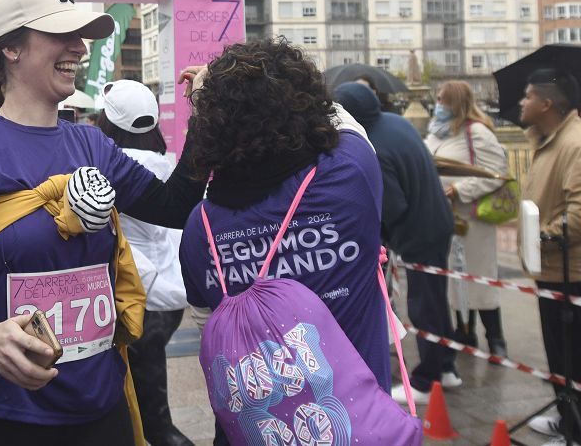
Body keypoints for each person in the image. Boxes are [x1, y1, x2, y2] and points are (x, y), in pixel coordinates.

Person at [0, 0, 208, 446]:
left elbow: (175, 207)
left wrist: (205, 112)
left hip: (99, 408)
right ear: (10, 49)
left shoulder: (92, 143)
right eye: (62, 34)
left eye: (82, 36)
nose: (80, 48)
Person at [177, 40, 390, 445]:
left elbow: (213, 332)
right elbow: (343, 122)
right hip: (357, 429)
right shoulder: (349, 179)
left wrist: (211, 98)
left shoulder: (199, 227)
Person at [333, 81, 458, 405]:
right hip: (438, 221)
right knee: (436, 299)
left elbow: (393, 206)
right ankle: (446, 368)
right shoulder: (397, 121)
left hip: (418, 232)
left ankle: (426, 379)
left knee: (423, 305)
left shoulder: (373, 145)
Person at [96, 79, 193, 446]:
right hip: (171, 293)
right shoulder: (166, 165)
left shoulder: (114, 169)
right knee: (145, 387)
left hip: (137, 294)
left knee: (153, 417)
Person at [517, 69, 581, 444]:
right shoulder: (551, 141)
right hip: (550, 270)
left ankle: (575, 428)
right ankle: (566, 415)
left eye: (527, 96)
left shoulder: (573, 144)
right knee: (560, 357)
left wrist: (539, 237)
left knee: (572, 356)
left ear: (547, 103)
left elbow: (577, 213)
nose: (521, 103)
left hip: (568, 271)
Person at [424, 80, 509, 357]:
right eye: (437, 98)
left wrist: (460, 189)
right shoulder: (437, 134)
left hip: (472, 219)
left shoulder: (477, 133)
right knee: (457, 281)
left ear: (456, 103)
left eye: (443, 99)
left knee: (480, 278)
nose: (438, 104)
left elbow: (496, 171)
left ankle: (495, 338)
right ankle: (465, 332)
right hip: (445, 217)